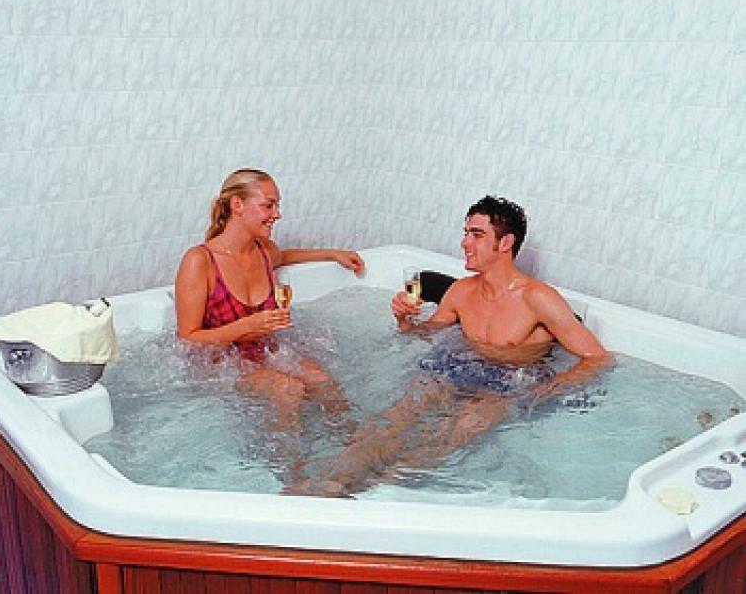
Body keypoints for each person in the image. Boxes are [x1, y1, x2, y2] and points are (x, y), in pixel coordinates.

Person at [286, 196, 612, 496]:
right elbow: (426, 334)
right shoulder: (461, 292)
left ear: (505, 243)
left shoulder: (538, 299)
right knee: (389, 423)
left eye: (476, 234)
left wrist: (545, 392)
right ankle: (328, 483)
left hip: (504, 387)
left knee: (452, 433)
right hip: (452, 371)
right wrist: (405, 322)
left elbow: (597, 358)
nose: (464, 242)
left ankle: (373, 493)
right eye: (466, 233)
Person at [175, 168, 365, 430]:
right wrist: (245, 327)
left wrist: (333, 254)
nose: (277, 214)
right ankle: (288, 457)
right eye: (268, 205)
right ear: (237, 205)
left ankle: (357, 444)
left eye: (277, 205)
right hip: (221, 365)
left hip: (262, 352)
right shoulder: (199, 261)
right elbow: (188, 339)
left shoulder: (263, 250)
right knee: (287, 389)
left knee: (320, 379)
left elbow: (285, 257)